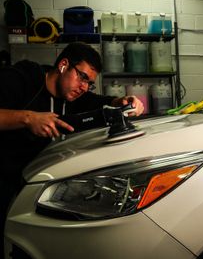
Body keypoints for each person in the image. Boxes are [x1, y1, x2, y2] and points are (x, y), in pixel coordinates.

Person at [0, 42, 144, 256]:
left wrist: (122, 101)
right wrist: (27, 118)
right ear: (63, 65)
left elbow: (99, 102)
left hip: (25, 180)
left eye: (89, 83)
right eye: (82, 77)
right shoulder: (23, 77)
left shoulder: (73, 97)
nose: (84, 87)